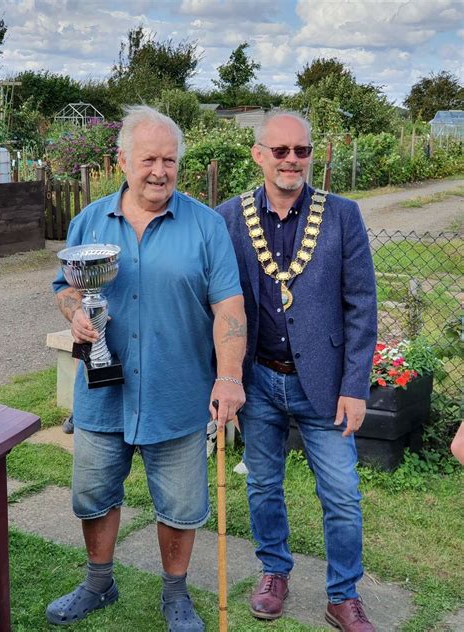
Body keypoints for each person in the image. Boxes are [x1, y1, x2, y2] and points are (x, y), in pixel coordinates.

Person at [47, 105, 246, 631]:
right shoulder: (88, 220)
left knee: (180, 506)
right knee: (92, 495)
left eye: (169, 160)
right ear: (122, 161)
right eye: (148, 160)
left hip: (176, 392)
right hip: (103, 390)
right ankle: (98, 582)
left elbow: (229, 306)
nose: (159, 170)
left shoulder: (206, 226)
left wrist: (229, 377)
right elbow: (66, 287)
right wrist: (77, 317)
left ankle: (175, 594)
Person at [216, 111, 377, 632]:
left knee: (342, 495)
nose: (291, 160)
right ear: (259, 154)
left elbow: (361, 306)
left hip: (326, 386)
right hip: (258, 379)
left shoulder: (343, 215)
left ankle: (343, 594)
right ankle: (273, 571)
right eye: (280, 151)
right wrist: (225, 377)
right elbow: (218, 304)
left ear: (311, 155)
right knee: (263, 485)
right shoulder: (228, 218)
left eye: (301, 151)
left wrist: (355, 386)